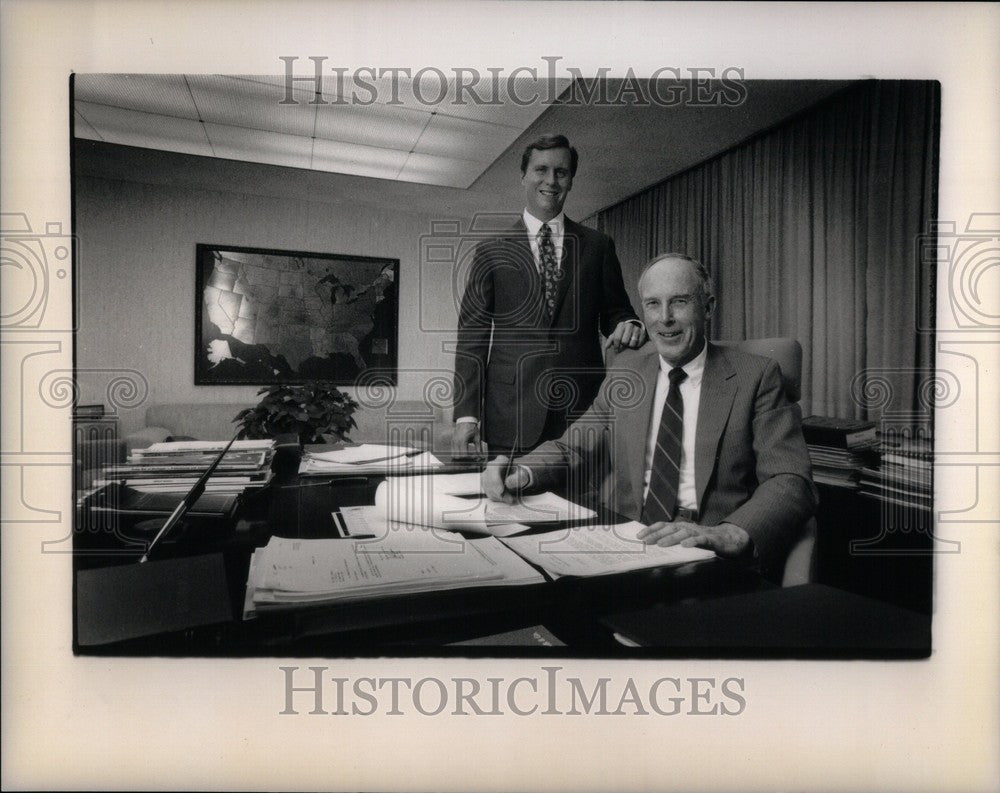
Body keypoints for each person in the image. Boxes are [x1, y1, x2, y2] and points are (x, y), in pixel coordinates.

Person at [483, 252, 818, 580]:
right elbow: (574, 447)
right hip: (622, 544)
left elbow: (789, 479)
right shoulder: (626, 374)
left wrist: (730, 533)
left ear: (709, 307)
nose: (664, 318)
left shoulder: (756, 377)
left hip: (705, 555)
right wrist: (521, 471)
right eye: (652, 304)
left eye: (680, 302)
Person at [451, 134, 646, 458]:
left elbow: (616, 312)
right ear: (524, 176)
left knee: (583, 509)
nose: (551, 180)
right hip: (511, 417)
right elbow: (472, 338)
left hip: (582, 416)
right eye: (541, 170)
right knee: (508, 506)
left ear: (570, 180)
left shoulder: (598, 246)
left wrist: (630, 323)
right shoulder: (491, 251)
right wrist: (466, 416)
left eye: (561, 172)